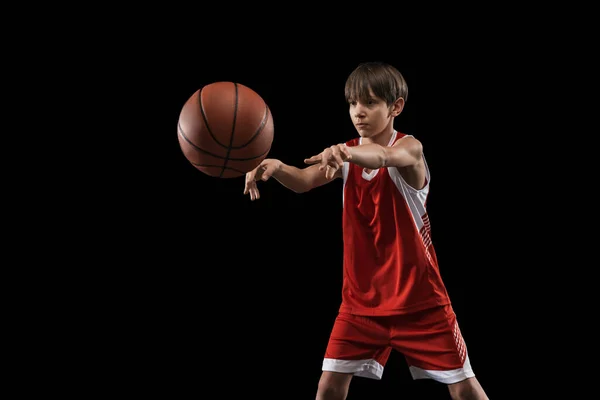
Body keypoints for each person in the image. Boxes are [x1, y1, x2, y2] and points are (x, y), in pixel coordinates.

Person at [243, 62, 489, 400]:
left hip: (419, 301)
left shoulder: (409, 149)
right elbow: (303, 182)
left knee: (465, 390)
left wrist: (346, 153)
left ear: (396, 107)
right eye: (353, 103)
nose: (359, 112)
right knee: (328, 387)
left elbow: (383, 156)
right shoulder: (346, 154)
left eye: (370, 103)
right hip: (361, 304)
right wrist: (277, 166)